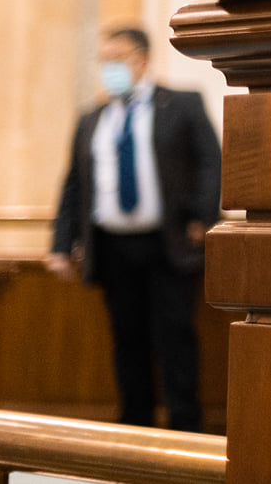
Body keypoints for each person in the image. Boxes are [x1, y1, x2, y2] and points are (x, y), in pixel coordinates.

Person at [46, 26, 222, 432]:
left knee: (175, 337)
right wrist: (61, 244)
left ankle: (185, 430)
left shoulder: (182, 104)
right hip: (112, 247)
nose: (108, 69)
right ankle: (133, 429)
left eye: (117, 59)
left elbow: (211, 162)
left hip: (167, 244)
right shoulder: (93, 118)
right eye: (103, 60)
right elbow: (74, 184)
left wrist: (203, 217)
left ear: (141, 60)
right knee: (127, 339)